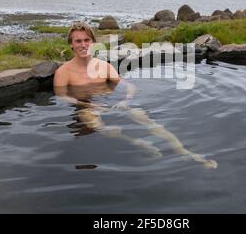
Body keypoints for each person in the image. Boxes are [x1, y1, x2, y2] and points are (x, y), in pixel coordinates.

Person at [53, 22, 217, 169]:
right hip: (86, 106)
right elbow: (61, 96)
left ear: (93, 43)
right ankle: (139, 143)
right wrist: (88, 105)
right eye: (78, 41)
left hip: (113, 102)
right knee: (98, 125)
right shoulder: (64, 72)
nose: (83, 45)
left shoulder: (104, 67)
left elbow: (128, 86)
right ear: (71, 45)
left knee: (148, 121)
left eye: (86, 40)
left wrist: (126, 100)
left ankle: (186, 153)